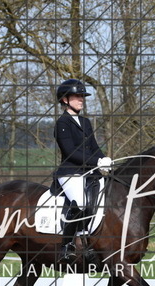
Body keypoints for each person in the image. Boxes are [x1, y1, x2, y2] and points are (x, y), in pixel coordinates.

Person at [53, 79, 112, 263]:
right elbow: (70, 151)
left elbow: (93, 147)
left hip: (90, 172)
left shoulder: (85, 122)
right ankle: (67, 245)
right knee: (80, 203)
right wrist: (96, 161)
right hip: (70, 172)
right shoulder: (62, 123)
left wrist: (104, 159)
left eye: (82, 96)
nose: (81, 99)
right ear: (65, 99)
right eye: (77, 96)